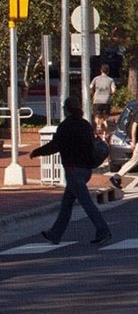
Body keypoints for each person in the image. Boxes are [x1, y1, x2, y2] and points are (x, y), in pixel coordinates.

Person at [30, 97, 112, 245]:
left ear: (67, 109)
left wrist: (37, 152)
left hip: (73, 170)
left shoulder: (65, 126)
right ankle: (55, 234)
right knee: (66, 203)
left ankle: (103, 230)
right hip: (86, 169)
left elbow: (55, 146)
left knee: (86, 203)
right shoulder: (85, 125)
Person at [90, 64, 116, 137]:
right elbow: (113, 90)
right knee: (105, 118)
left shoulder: (96, 79)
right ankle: (104, 135)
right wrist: (109, 94)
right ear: (108, 71)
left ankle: (98, 125)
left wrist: (92, 93)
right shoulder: (110, 80)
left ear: (101, 70)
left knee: (97, 116)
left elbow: (91, 86)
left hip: (97, 99)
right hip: (106, 100)